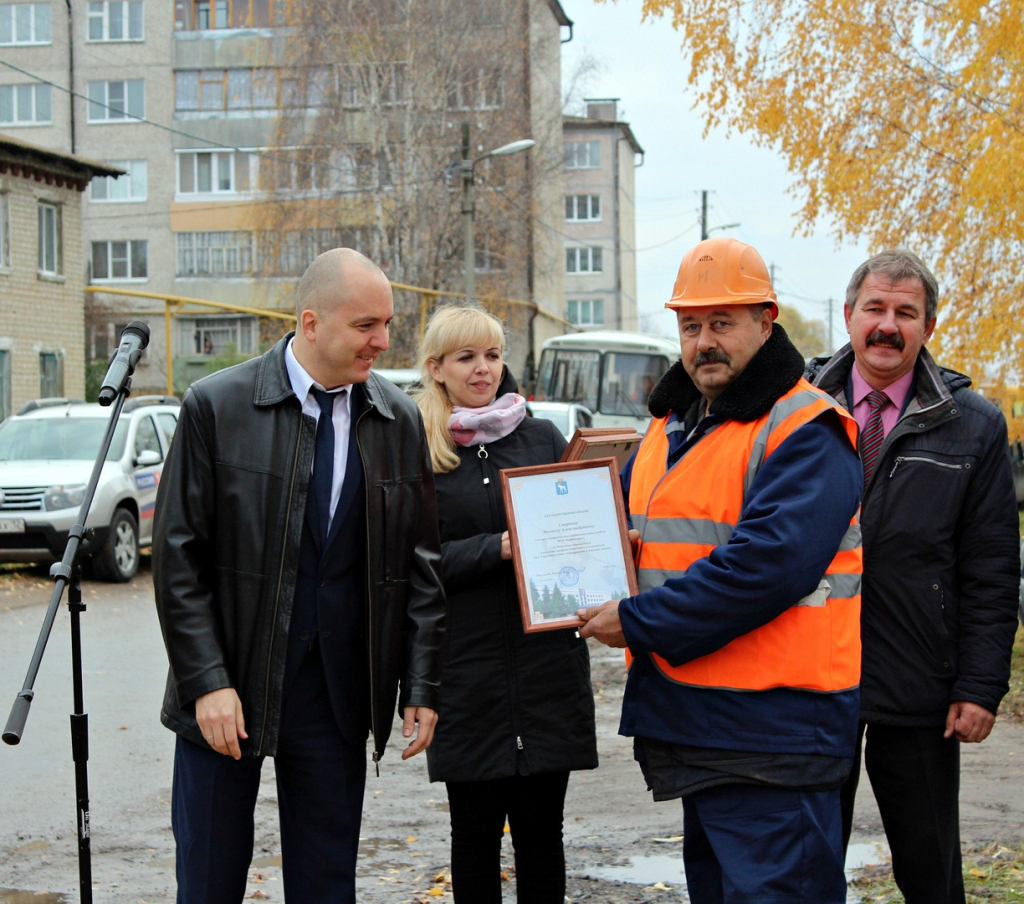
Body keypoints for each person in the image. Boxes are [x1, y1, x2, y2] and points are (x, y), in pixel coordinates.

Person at [153, 248, 445, 904]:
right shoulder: (216, 406)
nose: (382, 341)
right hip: (228, 689)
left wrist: (422, 682)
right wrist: (207, 682)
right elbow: (178, 561)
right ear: (310, 323)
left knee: (325, 885)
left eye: (388, 323)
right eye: (366, 325)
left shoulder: (397, 419)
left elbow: (420, 565)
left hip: (335, 696)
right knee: (208, 881)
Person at [578, 236, 863, 903]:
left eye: (722, 323)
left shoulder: (808, 428)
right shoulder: (669, 428)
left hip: (776, 737)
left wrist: (636, 620)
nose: (704, 342)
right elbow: (626, 532)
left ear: (766, 322)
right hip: (699, 725)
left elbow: (762, 569)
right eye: (690, 326)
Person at [807, 250, 1019, 904]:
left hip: (919, 676)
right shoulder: (796, 409)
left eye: (906, 312)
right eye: (874, 308)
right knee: (808, 866)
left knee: (930, 872)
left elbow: (991, 567)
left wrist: (981, 686)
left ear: (929, 325)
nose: (887, 326)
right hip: (811, 672)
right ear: (849, 315)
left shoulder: (973, 425)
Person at [413, 304, 597, 903]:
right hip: (466, 677)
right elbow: (410, 564)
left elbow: (576, 531)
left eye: (492, 355)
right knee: (474, 837)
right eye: (466, 357)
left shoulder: (540, 437)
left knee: (543, 836)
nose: (483, 369)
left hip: (547, 672)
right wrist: (492, 548)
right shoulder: (419, 448)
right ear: (436, 368)